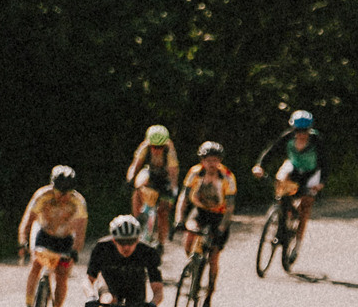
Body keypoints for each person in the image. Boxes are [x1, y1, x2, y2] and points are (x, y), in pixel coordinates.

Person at [18, 165, 87, 307]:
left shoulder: (78, 202)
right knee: (36, 263)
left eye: (67, 193)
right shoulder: (42, 195)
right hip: (44, 234)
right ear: (52, 187)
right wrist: (23, 242)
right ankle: (28, 305)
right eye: (59, 192)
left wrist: (75, 251)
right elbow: (27, 221)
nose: (63, 197)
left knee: (62, 274)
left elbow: (81, 231)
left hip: (65, 238)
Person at [252, 111, 324, 237]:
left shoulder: (316, 140)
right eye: (297, 130)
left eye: (305, 131)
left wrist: (322, 183)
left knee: (305, 207)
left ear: (310, 129)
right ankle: (283, 211)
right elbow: (271, 151)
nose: (301, 134)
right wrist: (260, 165)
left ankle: (298, 242)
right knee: (280, 182)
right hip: (294, 166)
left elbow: (325, 162)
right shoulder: (288, 136)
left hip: (311, 172)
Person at [179, 140, 239, 283]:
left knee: (213, 257)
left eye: (215, 160)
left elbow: (230, 207)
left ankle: (209, 292)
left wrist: (222, 228)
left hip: (220, 215)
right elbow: (184, 197)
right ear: (202, 160)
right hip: (200, 211)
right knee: (189, 236)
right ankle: (193, 263)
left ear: (220, 161)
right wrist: (179, 219)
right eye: (208, 160)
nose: (211, 164)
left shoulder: (228, 177)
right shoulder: (195, 173)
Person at [127, 124, 179, 246]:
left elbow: (173, 174)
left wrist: (173, 190)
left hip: (165, 177)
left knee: (163, 212)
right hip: (150, 172)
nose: (157, 150)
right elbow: (135, 165)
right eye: (154, 147)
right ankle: (138, 218)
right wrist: (129, 180)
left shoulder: (169, 151)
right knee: (138, 184)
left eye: (160, 147)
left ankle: (161, 243)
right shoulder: (144, 147)